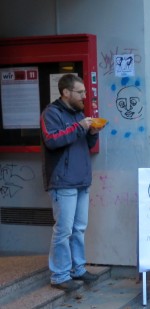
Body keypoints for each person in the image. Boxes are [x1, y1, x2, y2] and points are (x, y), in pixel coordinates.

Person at [41, 74, 104, 291]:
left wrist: (92, 132)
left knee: (79, 229)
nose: (85, 96)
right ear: (66, 93)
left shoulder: (79, 114)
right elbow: (52, 140)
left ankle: (78, 269)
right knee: (64, 230)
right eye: (81, 92)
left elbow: (86, 144)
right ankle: (59, 275)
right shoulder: (51, 113)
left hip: (80, 180)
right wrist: (80, 127)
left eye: (85, 92)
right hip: (63, 181)